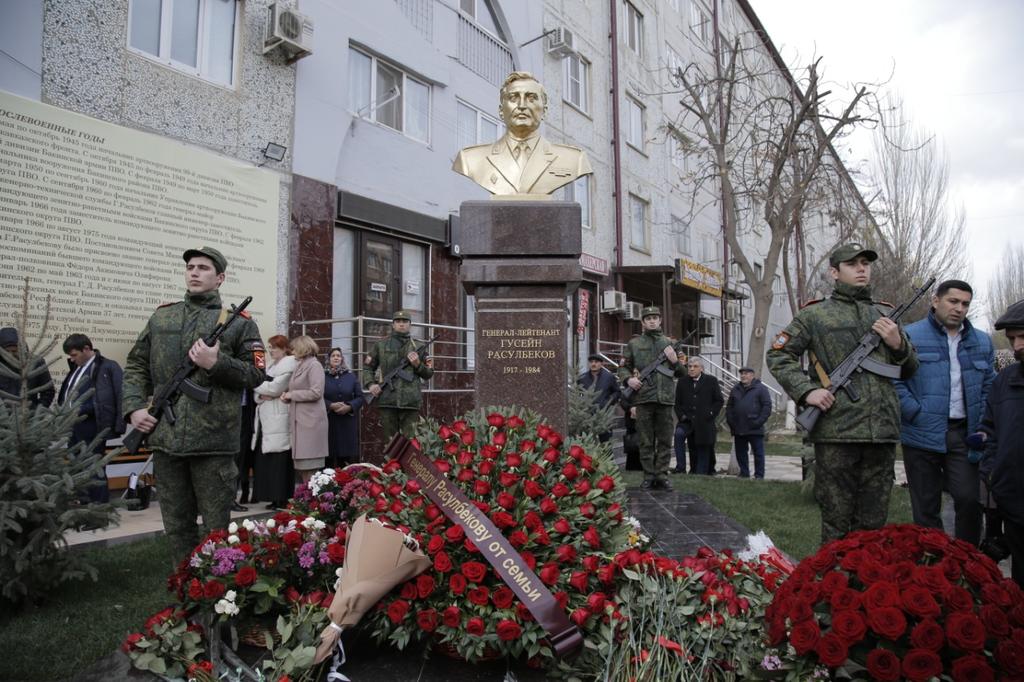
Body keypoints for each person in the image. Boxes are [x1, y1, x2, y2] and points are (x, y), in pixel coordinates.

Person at [766, 243, 918, 543]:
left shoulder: (886, 314)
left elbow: (911, 368)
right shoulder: (816, 315)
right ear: (835, 272)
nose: (862, 268)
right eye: (853, 264)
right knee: (836, 523)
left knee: (873, 525)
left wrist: (897, 342)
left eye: (866, 263)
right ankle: (832, 584)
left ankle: (865, 586)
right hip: (838, 430)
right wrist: (807, 391)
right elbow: (778, 355)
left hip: (881, 433)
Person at [122, 246, 266, 564]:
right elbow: (135, 365)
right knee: (177, 527)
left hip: (214, 442)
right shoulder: (163, 316)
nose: (194, 272)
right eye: (190, 267)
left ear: (220, 278)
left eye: (203, 267)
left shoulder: (240, 324)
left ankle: (218, 593)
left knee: (217, 530)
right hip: (167, 440)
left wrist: (217, 363)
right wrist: (134, 408)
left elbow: (257, 374)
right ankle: (184, 588)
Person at [894, 280, 994, 546]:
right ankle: (934, 568)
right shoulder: (909, 336)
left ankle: (968, 565)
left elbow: (988, 384)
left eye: (965, 304)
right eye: (953, 301)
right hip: (920, 433)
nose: (959, 308)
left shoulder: (981, 341)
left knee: (969, 500)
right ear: (936, 301)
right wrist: (915, 412)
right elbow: (894, 381)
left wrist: (983, 422)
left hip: (964, 434)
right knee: (926, 508)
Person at [452, 71, 592, 196]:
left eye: (531, 98)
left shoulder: (574, 160)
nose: (522, 105)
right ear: (501, 110)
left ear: (544, 111)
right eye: (513, 98)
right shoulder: (470, 160)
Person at [979, 298, 1024, 587]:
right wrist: (993, 472)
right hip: (1015, 500)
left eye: (1023, 337)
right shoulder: (1004, 380)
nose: (1017, 345)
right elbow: (990, 430)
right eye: (1012, 339)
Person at [617, 306, 682, 490]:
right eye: (648, 318)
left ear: (660, 320)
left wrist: (674, 360)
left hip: (665, 399)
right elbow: (623, 367)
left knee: (664, 439)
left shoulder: (670, 343)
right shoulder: (634, 344)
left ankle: (661, 475)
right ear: (643, 322)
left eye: (655, 318)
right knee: (645, 440)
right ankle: (648, 475)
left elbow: (682, 373)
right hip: (643, 399)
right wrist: (628, 379)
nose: (652, 321)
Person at [57, 333, 124, 502]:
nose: (72, 359)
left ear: (86, 348)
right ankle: (85, 504)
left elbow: (115, 396)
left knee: (93, 467)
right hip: (74, 425)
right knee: (78, 466)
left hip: (93, 426)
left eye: (74, 354)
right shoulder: (77, 368)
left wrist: (79, 410)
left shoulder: (107, 366)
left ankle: (99, 509)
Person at [363, 310, 434, 440]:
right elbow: (367, 367)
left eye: (405, 322)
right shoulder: (381, 345)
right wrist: (371, 384)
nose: (401, 324)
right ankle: (390, 462)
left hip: (410, 402)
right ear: (393, 325)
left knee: (411, 444)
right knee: (390, 443)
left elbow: (429, 374)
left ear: (410, 325)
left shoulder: (419, 346)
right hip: (387, 400)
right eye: (398, 321)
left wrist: (418, 364)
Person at [252, 335, 296, 510]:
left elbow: (275, 388)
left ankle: (282, 497)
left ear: (285, 348)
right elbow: (262, 393)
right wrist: (262, 392)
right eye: (269, 347)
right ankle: (271, 496)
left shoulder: (289, 365)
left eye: (274, 347)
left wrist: (256, 385)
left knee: (280, 459)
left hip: (279, 417)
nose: (271, 351)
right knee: (267, 460)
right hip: (265, 417)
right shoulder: (271, 366)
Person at [282, 335, 329, 484]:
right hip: (301, 423)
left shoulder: (314, 365)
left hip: (311, 424)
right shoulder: (300, 365)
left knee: (311, 469)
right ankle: (307, 501)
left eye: (294, 348)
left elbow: (316, 392)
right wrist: (288, 396)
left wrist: (292, 394)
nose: (292, 351)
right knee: (303, 469)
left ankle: (313, 502)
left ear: (302, 348)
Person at [674, 357, 724, 476]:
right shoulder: (682, 381)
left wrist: (711, 413)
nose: (691, 369)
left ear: (701, 368)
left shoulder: (711, 381)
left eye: (695, 366)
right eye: (689, 366)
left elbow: (719, 401)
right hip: (686, 421)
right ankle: (680, 468)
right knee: (678, 435)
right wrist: (682, 416)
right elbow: (677, 403)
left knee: (702, 446)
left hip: (704, 421)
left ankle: (700, 472)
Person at [725, 366, 773, 479]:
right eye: (741, 374)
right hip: (739, 427)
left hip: (754, 427)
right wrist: (731, 421)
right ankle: (744, 473)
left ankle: (759, 475)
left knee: (758, 453)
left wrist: (758, 421)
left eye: (746, 373)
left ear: (752, 375)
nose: (743, 376)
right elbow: (729, 406)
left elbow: (767, 407)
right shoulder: (735, 389)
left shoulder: (761, 388)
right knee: (741, 453)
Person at [324, 347, 364, 467]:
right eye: (333, 356)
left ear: (342, 359)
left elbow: (360, 397)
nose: (336, 357)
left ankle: (347, 485)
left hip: (347, 422)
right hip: (329, 421)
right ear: (328, 359)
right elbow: (317, 396)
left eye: (339, 356)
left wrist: (349, 406)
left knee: (346, 460)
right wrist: (330, 405)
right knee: (329, 458)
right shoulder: (322, 376)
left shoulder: (350, 376)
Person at [0, 327, 55, 408]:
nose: (10, 355)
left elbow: (48, 391)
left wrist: (37, 412)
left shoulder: (36, 363)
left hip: (29, 417)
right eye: (6, 351)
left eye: (14, 351)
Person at [577, 353, 620, 442]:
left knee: (605, 443)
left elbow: (617, 392)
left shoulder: (609, 377)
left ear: (601, 364)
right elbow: (578, 393)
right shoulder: (582, 378)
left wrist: (608, 402)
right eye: (591, 362)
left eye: (596, 362)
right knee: (587, 442)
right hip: (587, 416)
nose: (593, 364)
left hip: (604, 416)